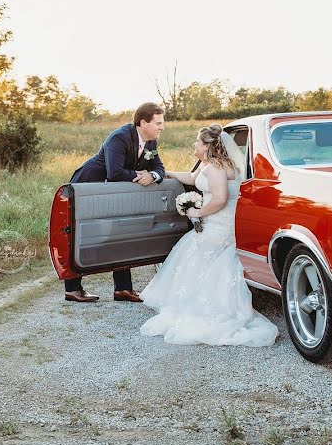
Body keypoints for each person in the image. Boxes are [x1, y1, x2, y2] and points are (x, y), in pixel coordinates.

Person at [139, 124, 278, 346]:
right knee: (193, 249)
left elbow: (220, 198)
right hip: (224, 222)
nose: (194, 144)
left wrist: (197, 212)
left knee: (193, 249)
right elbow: (194, 178)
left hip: (220, 224)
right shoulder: (215, 165)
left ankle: (197, 304)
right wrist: (169, 173)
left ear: (206, 146)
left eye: (197, 141)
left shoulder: (215, 168)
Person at [65, 102, 166, 302]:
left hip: (117, 192)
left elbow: (159, 167)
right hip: (89, 186)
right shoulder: (119, 137)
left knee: (121, 232)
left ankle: (122, 289)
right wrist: (140, 174)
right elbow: (115, 172)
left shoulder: (151, 142)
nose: (162, 127)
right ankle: (72, 288)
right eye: (158, 123)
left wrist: (152, 176)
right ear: (143, 122)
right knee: (80, 234)